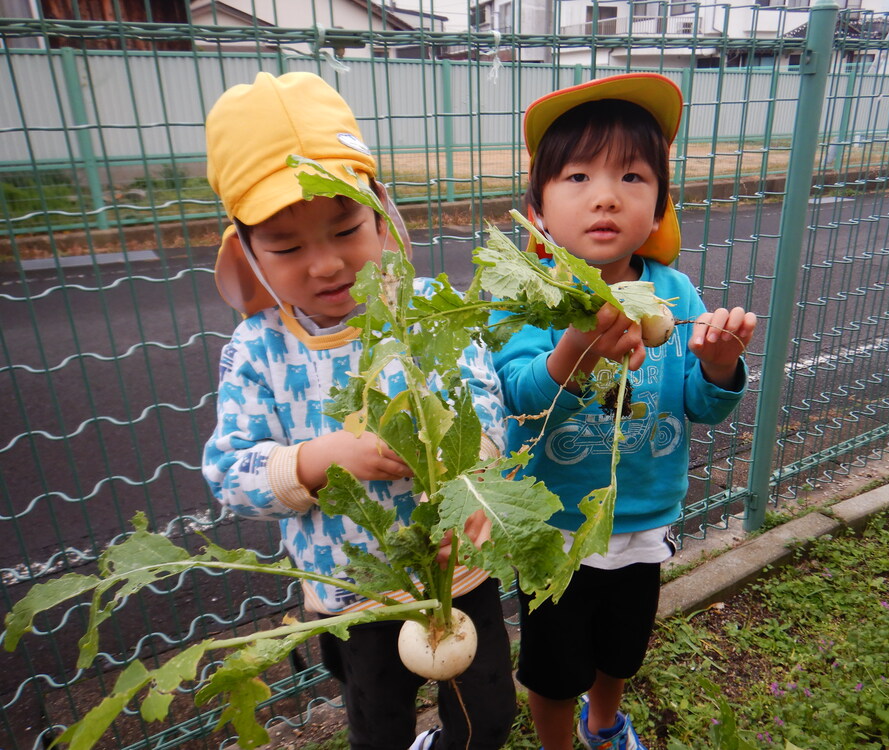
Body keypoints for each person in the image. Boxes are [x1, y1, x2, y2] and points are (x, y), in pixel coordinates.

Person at [201, 71, 515, 750]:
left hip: (458, 572)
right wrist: (320, 459)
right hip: (353, 597)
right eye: (287, 247)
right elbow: (229, 473)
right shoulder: (257, 350)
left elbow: (485, 403)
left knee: (487, 717)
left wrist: (475, 492)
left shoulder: (428, 305)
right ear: (248, 255)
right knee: (378, 729)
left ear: (382, 217)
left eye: (345, 228)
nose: (325, 264)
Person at [491, 73, 757, 750]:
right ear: (540, 208)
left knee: (621, 650)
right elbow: (515, 398)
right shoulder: (529, 295)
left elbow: (700, 404)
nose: (606, 195)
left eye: (633, 177)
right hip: (551, 530)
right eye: (578, 176)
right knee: (552, 669)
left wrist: (720, 363)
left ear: (661, 203)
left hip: (644, 519)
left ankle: (604, 721)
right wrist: (571, 358)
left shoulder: (673, 293)